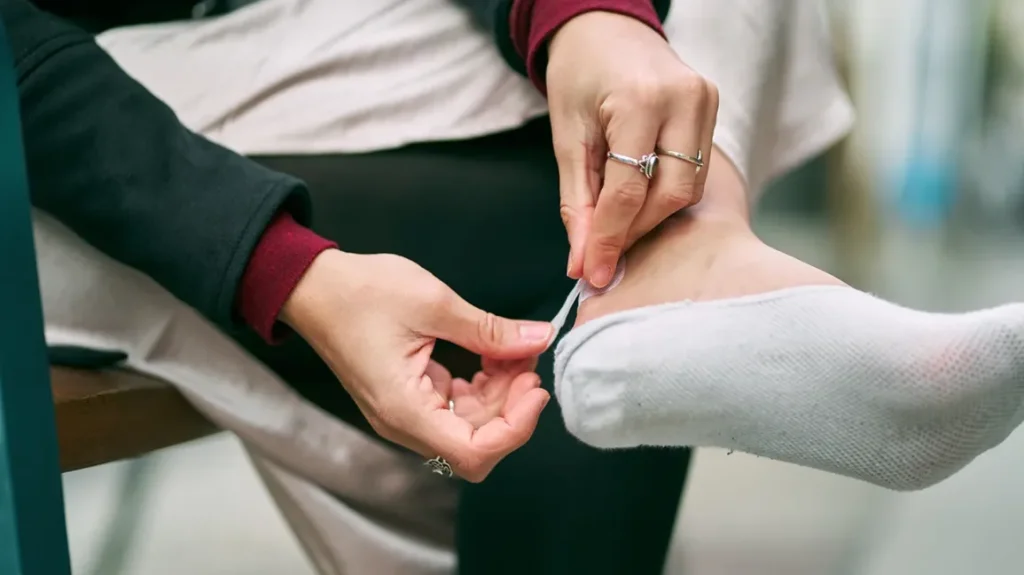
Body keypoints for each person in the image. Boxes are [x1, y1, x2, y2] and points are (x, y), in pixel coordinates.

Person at [12, 0, 719, 572]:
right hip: (54, 131)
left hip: (236, 58)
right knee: (607, 273)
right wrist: (285, 269)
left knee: (612, 244)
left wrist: (580, 15)